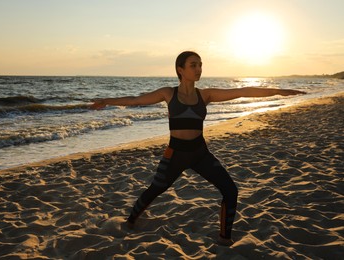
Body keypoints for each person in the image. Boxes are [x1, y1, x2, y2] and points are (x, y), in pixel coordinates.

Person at [90, 51, 305, 246]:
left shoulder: (205, 95)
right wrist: (107, 100)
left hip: (200, 153)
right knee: (155, 189)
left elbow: (242, 91)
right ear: (180, 70)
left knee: (231, 190)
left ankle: (224, 239)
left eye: (200, 65)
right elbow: (136, 100)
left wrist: (281, 91)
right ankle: (129, 223)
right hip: (175, 154)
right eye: (193, 65)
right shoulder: (168, 94)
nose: (199, 69)